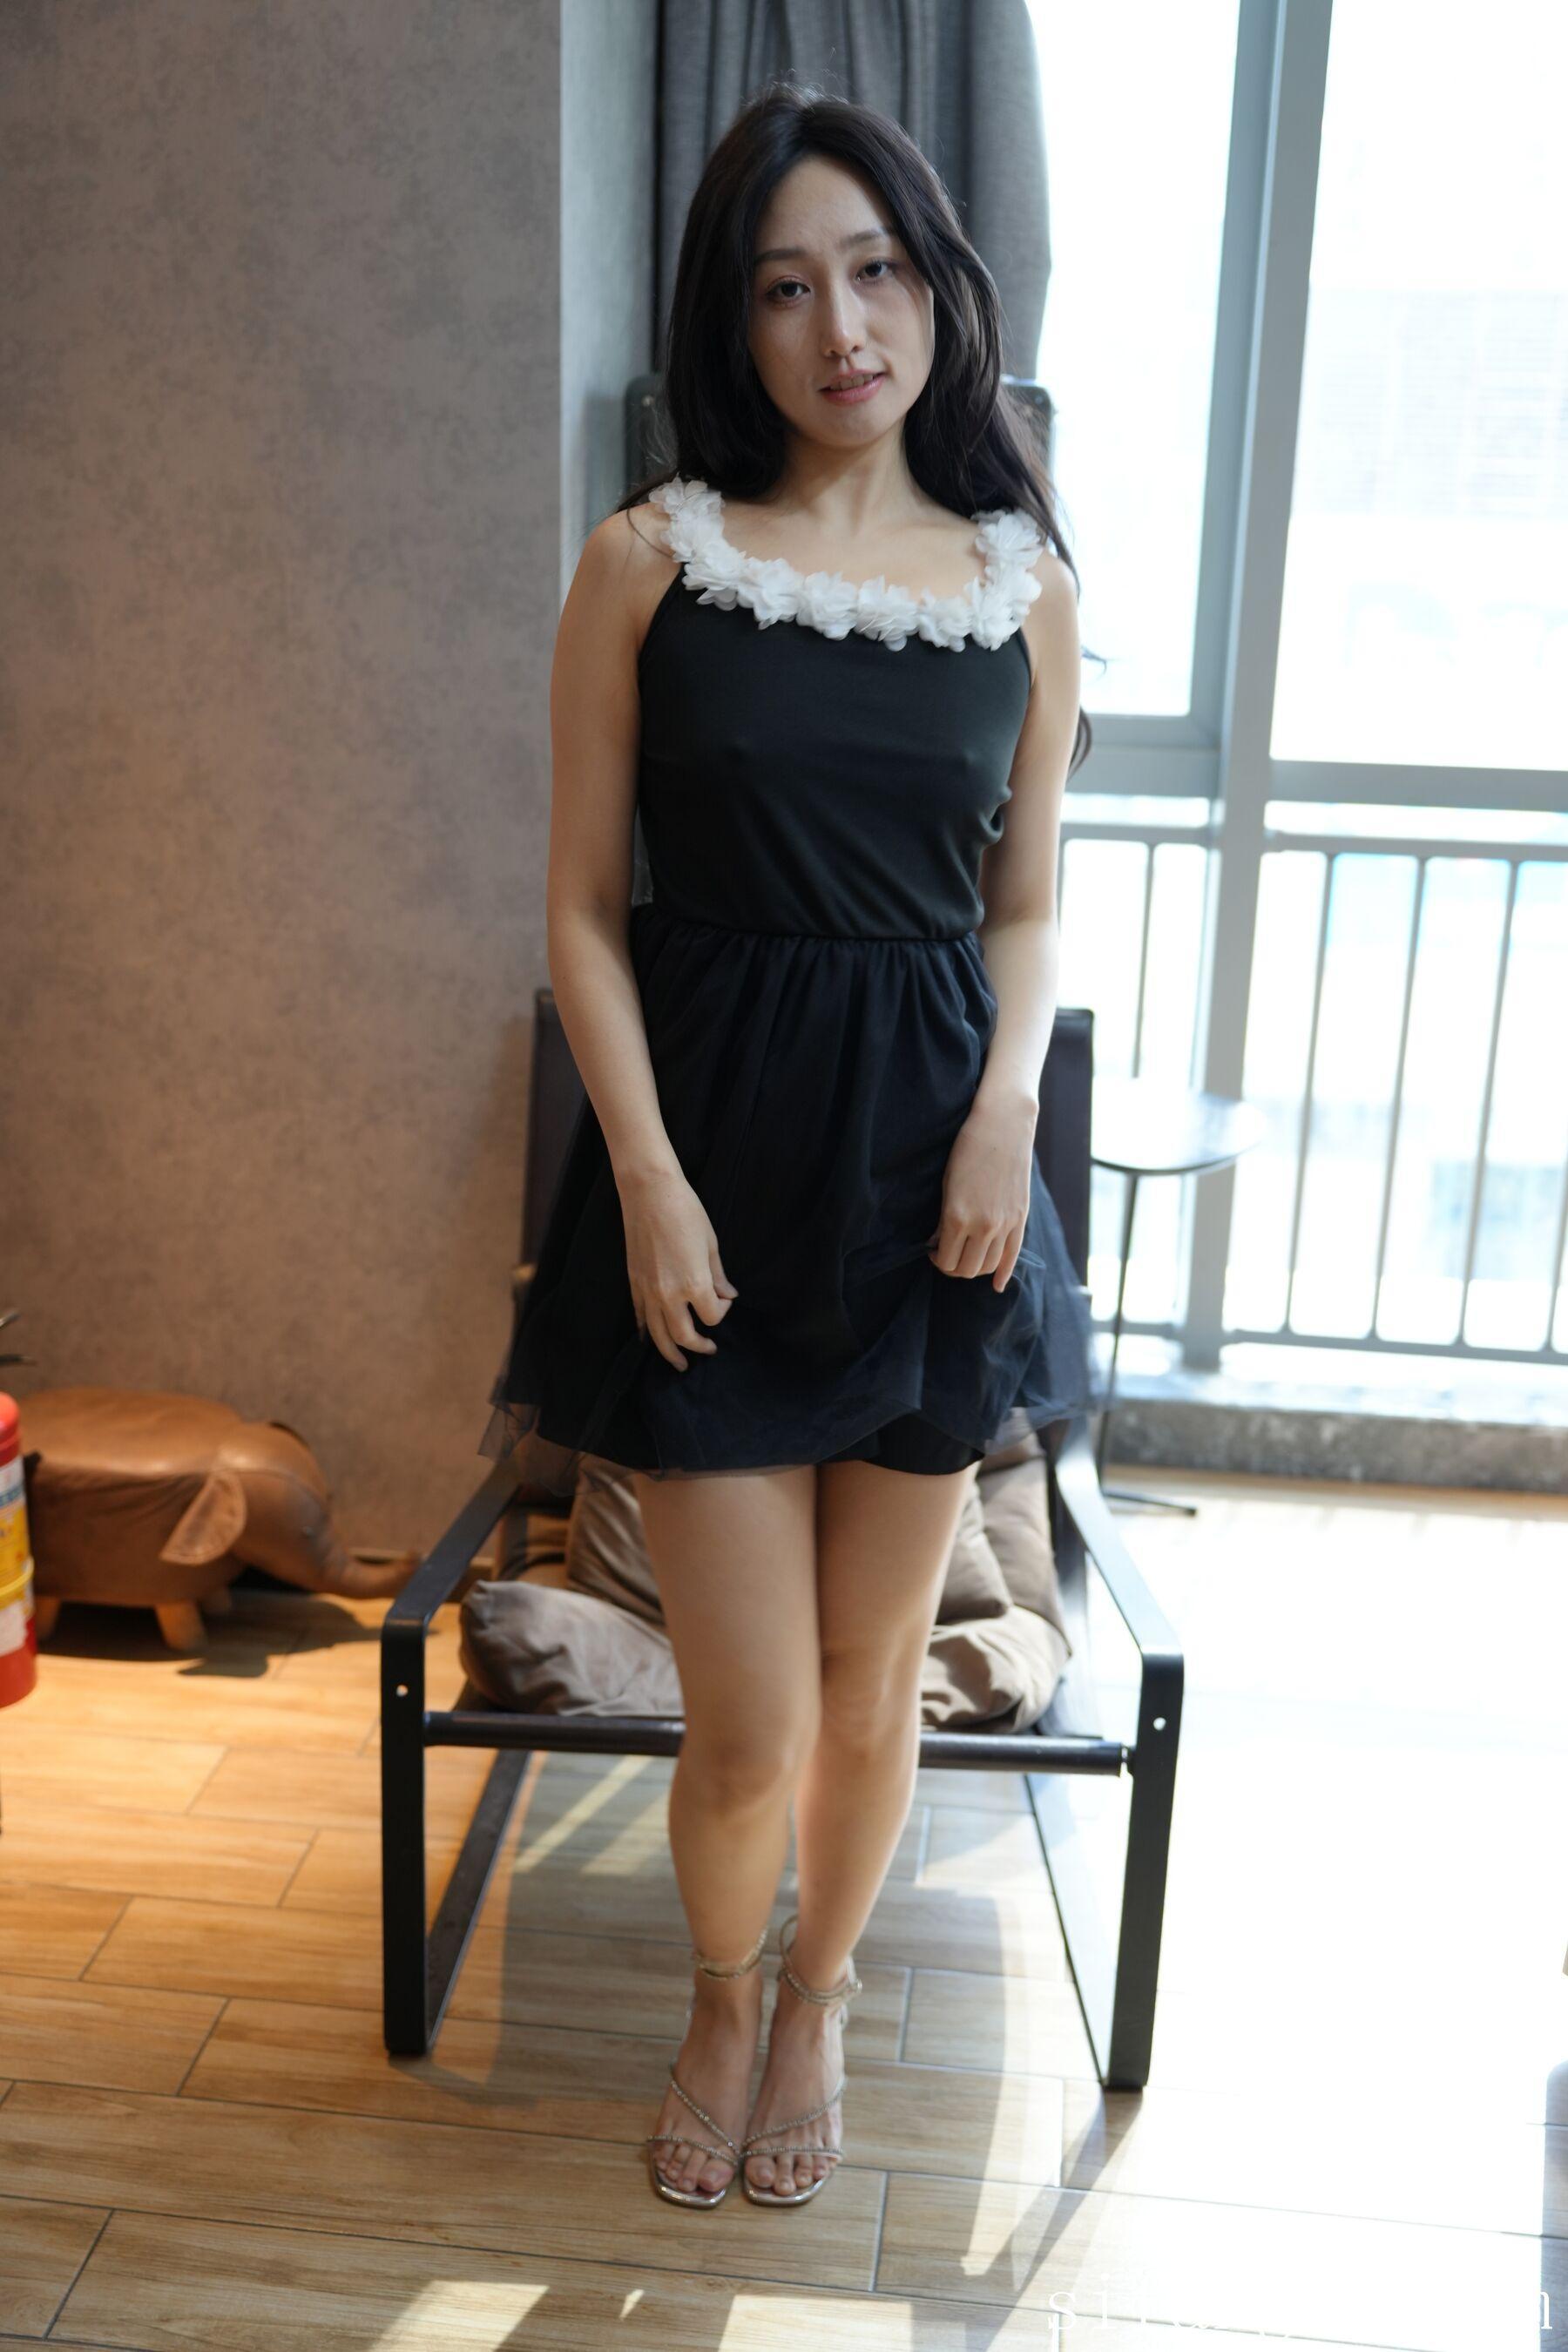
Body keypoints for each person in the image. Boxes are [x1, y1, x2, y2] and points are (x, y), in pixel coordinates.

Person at [478, 81, 1093, 2210]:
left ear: (936, 287)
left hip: (938, 1186)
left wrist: (1008, 1111)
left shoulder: (1022, 585)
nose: (843, 326)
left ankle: (817, 1998)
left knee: (867, 1689)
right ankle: (724, 1992)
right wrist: (645, 1177)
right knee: (745, 1722)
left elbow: (1025, 909)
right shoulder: (648, 562)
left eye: (877, 270)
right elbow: (582, 908)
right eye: (785, 287)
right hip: (712, 1182)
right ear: (728, 325)